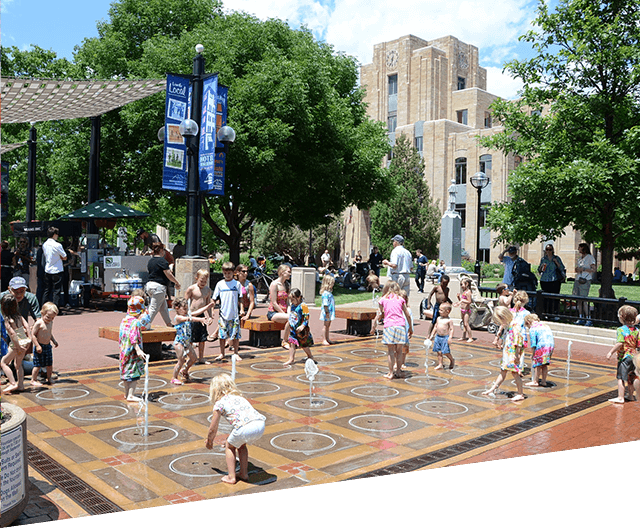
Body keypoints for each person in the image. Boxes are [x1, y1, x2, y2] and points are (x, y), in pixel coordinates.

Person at [205, 373, 266, 484]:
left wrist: (209, 441)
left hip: (245, 428)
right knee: (241, 445)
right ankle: (243, 474)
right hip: (260, 424)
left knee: (229, 446)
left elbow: (212, 428)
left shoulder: (219, 404)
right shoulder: (239, 398)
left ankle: (231, 477)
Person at [482, 306, 525, 402]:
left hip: (512, 354)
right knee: (503, 372)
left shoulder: (515, 326)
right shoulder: (508, 325)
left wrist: (517, 355)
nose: (499, 323)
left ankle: (520, 394)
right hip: (507, 353)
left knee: (515, 373)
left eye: (499, 321)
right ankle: (493, 389)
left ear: (504, 317)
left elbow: (518, 342)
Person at [170, 296, 215, 385]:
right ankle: (174, 377)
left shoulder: (186, 314)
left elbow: (197, 312)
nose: (186, 311)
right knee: (181, 360)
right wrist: (200, 319)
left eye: (187, 309)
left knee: (194, 358)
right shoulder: (178, 317)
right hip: (179, 343)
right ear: (177, 308)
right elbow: (190, 319)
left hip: (186, 343)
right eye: (184, 309)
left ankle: (184, 370)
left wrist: (207, 307)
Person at [1, 293, 36, 394]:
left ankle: (12, 383)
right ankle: (20, 385)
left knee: (3, 362)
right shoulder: (19, 316)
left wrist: (18, 346)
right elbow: (27, 327)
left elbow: (12, 334)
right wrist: (29, 340)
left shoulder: (6, 319)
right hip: (25, 341)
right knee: (18, 364)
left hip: (17, 343)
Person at [377, 280, 413, 379]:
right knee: (399, 351)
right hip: (401, 326)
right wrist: (410, 327)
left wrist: (374, 325)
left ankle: (390, 373)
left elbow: (380, 314)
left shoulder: (382, 299)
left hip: (389, 327)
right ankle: (398, 371)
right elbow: (407, 314)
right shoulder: (401, 299)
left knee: (390, 351)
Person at [606, 305, 640, 404]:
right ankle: (630, 395)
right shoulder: (637, 330)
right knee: (631, 376)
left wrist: (610, 352)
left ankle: (620, 397)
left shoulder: (621, 330)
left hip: (624, 357)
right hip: (634, 357)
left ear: (622, 317)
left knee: (621, 377)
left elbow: (620, 343)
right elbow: (638, 344)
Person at [118, 295, 149, 402]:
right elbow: (133, 337)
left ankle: (127, 394)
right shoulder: (135, 322)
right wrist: (138, 349)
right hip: (132, 353)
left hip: (123, 351)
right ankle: (131, 395)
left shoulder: (124, 320)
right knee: (133, 374)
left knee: (126, 374)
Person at [145, 241, 181, 327]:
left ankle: (169, 324)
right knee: (153, 308)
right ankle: (144, 325)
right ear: (161, 250)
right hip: (158, 287)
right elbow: (168, 274)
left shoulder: (150, 261)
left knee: (163, 307)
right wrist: (176, 282)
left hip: (149, 286)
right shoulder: (163, 261)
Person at [212, 262, 242, 363]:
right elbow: (214, 298)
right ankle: (222, 353)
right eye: (225, 273)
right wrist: (212, 310)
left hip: (234, 314)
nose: (227, 275)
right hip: (223, 315)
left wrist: (241, 309)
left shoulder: (237, 284)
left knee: (235, 335)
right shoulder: (220, 284)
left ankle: (236, 352)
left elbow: (240, 298)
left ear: (233, 273)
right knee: (222, 335)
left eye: (229, 273)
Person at [184, 269, 213, 364]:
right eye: (201, 281)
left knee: (202, 338)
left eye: (205, 281)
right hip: (192, 315)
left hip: (202, 315)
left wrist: (210, 316)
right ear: (196, 278)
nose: (203, 283)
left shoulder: (208, 290)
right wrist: (185, 314)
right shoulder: (191, 289)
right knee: (191, 338)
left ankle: (201, 358)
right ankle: (190, 357)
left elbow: (208, 304)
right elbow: (184, 301)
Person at [283, 288, 315, 366]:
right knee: (291, 343)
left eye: (293, 299)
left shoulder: (303, 306)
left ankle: (310, 356)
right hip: (293, 329)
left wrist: (303, 325)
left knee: (304, 345)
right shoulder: (292, 305)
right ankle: (291, 359)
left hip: (301, 330)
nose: (291, 301)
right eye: (290, 299)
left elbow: (307, 316)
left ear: (299, 297)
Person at [42, 226, 73, 309]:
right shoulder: (57, 245)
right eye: (57, 234)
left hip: (48, 269)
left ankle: (44, 307)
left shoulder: (44, 244)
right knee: (57, 291)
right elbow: (65, 257)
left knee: (47, 290)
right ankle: (56, 309)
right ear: (54, 234)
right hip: (57, 269)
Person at [30, 302, 59, 387]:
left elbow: (49, 333)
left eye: (53, 318)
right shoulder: (39, 323)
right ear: (42, 313)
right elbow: (33, 335)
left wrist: (54, 341)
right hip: (40, 346)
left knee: (49, 364)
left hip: (47, 346)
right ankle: (33, 379)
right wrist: (37, 345)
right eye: (48, 317)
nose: (50, 319)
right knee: (37, 365)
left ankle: (49, 377)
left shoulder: (50, 322)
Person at [524, 313, 554, 387]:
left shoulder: (533, 328)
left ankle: (535, 381)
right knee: (544, 364)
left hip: (542, 346)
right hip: (550, 346)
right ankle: (543, 381)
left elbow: (533, 344)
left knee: (537, 364)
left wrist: (533, 354)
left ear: (528, 322)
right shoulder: (544, 325)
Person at [267, 264, 291, 348]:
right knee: (290, 318)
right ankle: (285, 341)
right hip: (274, 313)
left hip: (284, 312)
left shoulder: (287, 285)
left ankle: (293, 339)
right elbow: (274, 302)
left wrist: (288, 312)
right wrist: (284, 314)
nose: (290, 274)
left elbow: (288, 302)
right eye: (288, 272)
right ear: (282, 272)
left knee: (294, 317)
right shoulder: (274, 284)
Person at [538, 244, 565, 316]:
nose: (548, 251)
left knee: (554, 298)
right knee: (545, 298)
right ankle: (546, 313)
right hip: (544, 280)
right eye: (547, 249)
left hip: (554, 280)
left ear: (553, 250)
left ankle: (554, 313)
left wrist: (556, 262)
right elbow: (539, 270)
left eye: (550, 249)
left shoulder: (557, 258)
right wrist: (541, 267)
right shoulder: (543, 259)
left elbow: (562, 268)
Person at [573, 242, 596, 326]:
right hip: (578, 279)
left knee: (584, 299)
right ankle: (580, 317)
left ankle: (588, 318)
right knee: (578, 299)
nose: (578, 249)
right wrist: (577, 269)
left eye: (579, 247)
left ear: (583, 248)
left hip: (585, 280)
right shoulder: (580, 259)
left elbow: (593, 269)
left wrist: (584, 269)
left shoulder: (590, 257)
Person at [428, 302, 455, 370]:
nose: (439, 311)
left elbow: (451, 329)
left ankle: (452, 360)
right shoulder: (438, 318)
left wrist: (450, 337)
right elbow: (435, 327)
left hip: (445, 338)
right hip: (438, 337)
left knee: (446, 352)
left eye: (441, 310)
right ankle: (440, 364)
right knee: (439, 352)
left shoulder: (449, 320)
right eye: (439, 309)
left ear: (447, 311)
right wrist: (432, 335)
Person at [492, 283, 513, 348]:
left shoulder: (501, 297)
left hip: (503, 314)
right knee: (504, 329)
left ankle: (496, 340)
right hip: (505, 315)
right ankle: (499, 343)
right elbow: (507, 302)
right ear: (503, 291)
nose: (508, 290)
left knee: (501, 328)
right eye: (507, 289)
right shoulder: (503, 297)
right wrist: (511, 295)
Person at [455, 277, 474, 342]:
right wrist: (459, 298)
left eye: (462, 284)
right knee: (464, 323)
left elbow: (469, 301)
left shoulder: (468, 292)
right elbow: (462, 301)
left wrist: (462, 300)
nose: (461, 286)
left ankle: (470, 337)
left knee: (466, 324)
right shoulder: (464, 292)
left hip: (466, 310)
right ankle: (463, 336)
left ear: (467, 284)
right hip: (462, 309)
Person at [319, 274, 335, 346]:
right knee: (325, 326)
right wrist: (327, 312)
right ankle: (324, 339)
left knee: (328, 326)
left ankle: (327, 338)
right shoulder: (325, 294)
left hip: (330, 311)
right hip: (327, 311)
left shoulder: (329, 293)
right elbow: (325, 304)